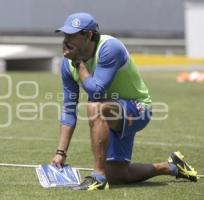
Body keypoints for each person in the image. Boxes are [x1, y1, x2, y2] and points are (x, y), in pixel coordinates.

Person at [51, 12, 198, 190]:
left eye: (72, 35)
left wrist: (79, 63)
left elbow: (96, 91)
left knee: (95, 107)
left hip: (137, 108)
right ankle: (172, 166)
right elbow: (68, 109)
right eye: (65, 35)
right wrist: (61, 153)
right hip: (110, 114)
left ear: (88, 35)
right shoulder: (67, 63)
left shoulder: (109, 48)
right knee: (118, 175)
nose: (66, 40)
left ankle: (98, 177)